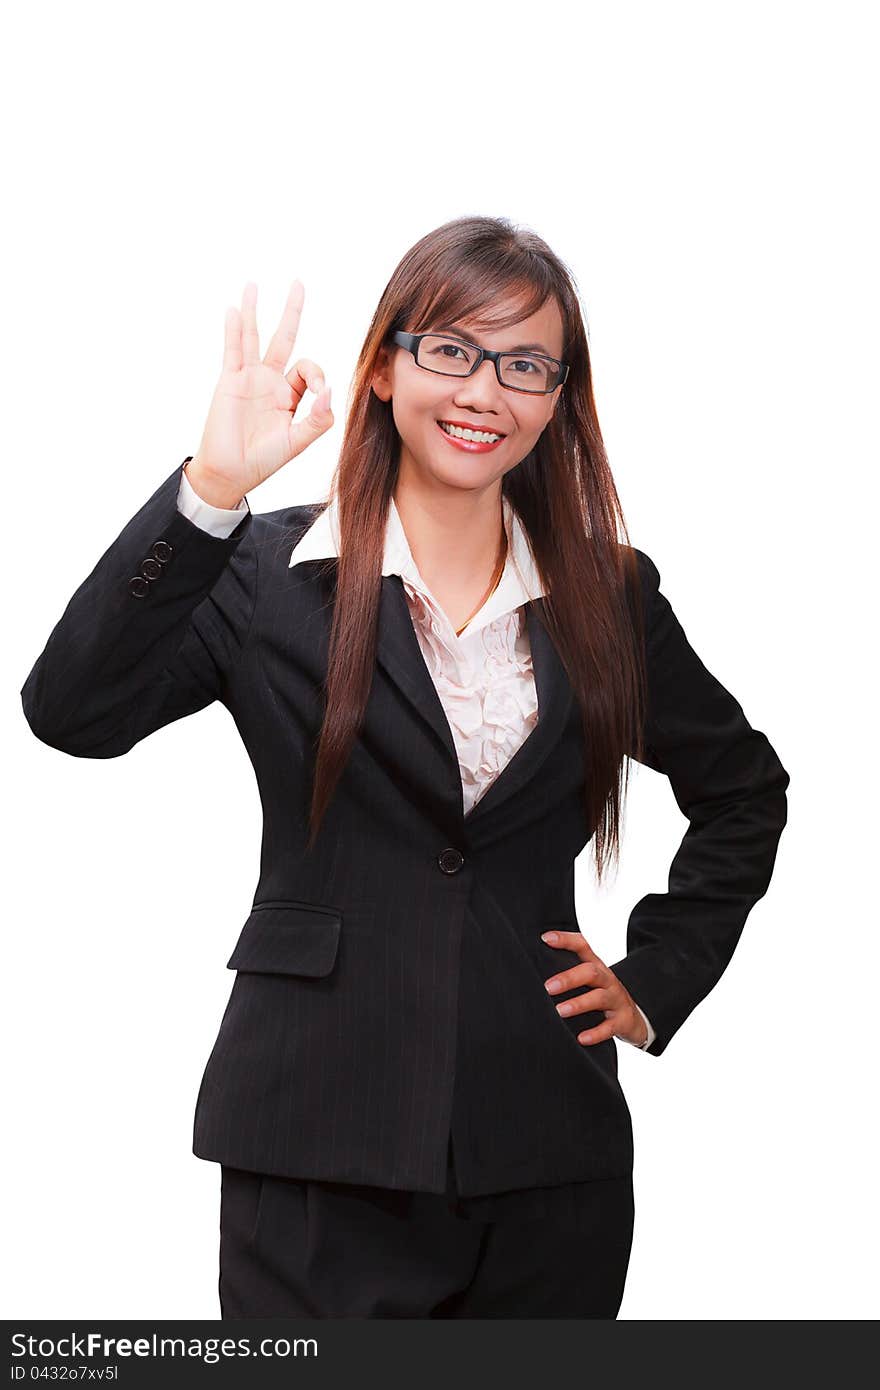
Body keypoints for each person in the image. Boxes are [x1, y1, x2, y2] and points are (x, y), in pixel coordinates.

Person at [20, 215, 790, 1319]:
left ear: (557, 398)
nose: (487, 391)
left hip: (546, 1152)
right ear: (384, 365)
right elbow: (71, 714)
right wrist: (209, 493)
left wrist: (657, 976)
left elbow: (742, 789)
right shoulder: (262, 573)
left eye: (526, 365)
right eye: (452, 350)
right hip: (316, 1141)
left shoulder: (608, 591)